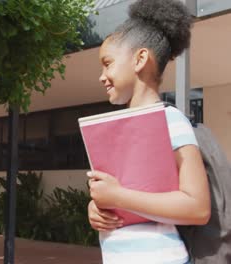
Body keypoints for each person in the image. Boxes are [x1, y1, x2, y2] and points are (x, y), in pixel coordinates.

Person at [87, 0, 211, 263]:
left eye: (107, 63)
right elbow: (130, 194)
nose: (101, 76)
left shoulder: (172, 121)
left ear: (140, 59)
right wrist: (98, 209)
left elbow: (198, 207)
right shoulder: (115, 128)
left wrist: (119, 196)